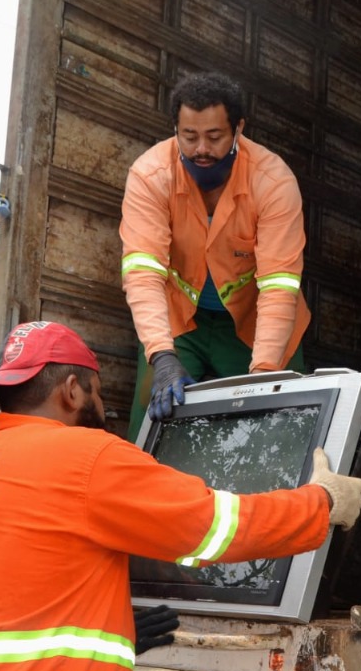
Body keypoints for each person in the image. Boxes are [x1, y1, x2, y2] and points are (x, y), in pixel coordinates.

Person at [0, 320, 361, 671]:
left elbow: (25, 591)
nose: (103, 407)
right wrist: (321, 502)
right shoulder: (85, 456)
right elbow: (214, 527)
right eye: (97, 393)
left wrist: (116, 632)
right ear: (72, 391)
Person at [120, 71, 311, 439]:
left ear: (239, 129)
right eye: (189, 136)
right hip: (180, 321)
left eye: (214, 137)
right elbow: (142, 273)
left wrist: (266, 374)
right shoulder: (150, 175)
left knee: (280, 428)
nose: (200, 150)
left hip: (255, 322)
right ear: (175, 127)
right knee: (149, 420)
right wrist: (161, 356)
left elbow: (279, 286)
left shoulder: (273, 181)